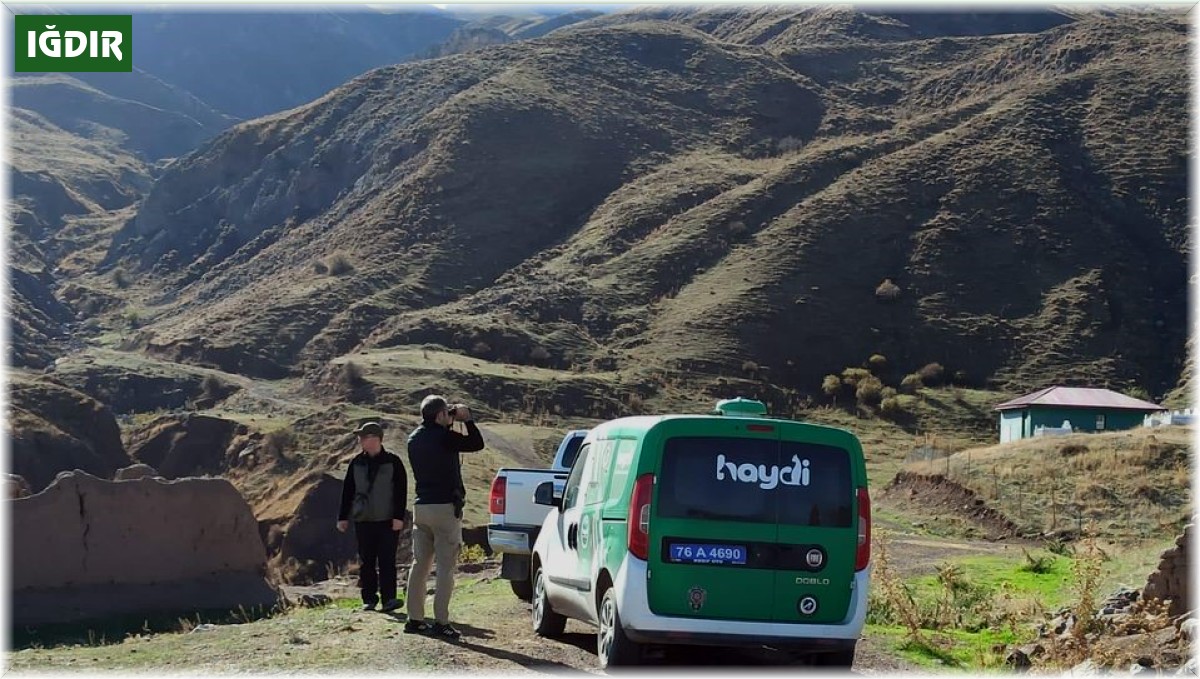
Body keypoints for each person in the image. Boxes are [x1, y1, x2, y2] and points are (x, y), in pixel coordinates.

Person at [404, 395, 485, 637]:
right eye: (446, 413)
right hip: (445, 509)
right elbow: (476, 443)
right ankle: (441, 621)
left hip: (422, 507)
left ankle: (415, 619)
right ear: (440, 415)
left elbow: (437, 442)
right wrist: (467, 419)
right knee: (445, 567)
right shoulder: (445, 438)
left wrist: (448, 420)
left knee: (419, 565)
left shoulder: (413, 439)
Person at [337, 421, 408, 612]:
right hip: (363, 520)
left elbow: (401, 491)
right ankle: (369, 599)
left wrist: (398, 517)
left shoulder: (393, 462)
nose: (359, 440)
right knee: (366, 561)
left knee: (387, 561)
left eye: (363, 436)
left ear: (375, 439)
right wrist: (343, 517)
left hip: (387, 520)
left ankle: (389, 600)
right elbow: (348, 491)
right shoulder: (356, 463)